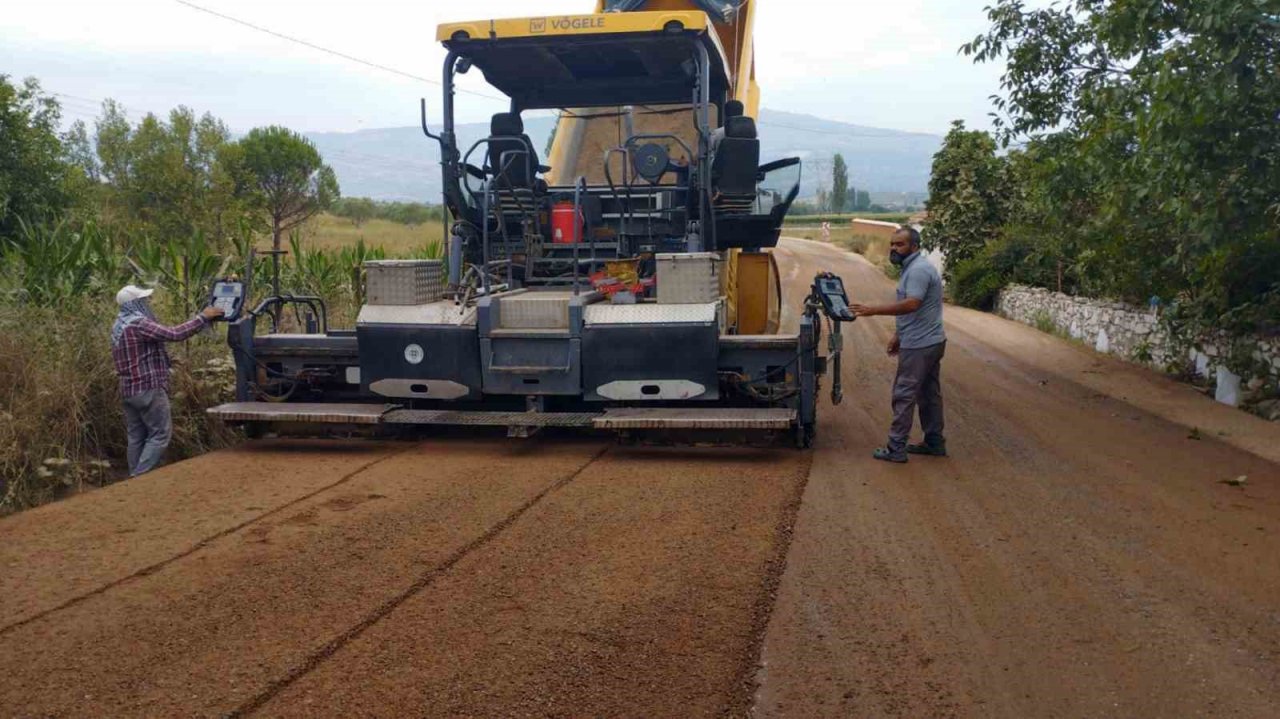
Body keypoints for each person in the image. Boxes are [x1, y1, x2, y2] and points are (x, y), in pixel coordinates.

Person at [851, 227, 947, 463]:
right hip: (930, 340)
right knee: (928, 394)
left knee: (904, 394)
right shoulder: (915, 267)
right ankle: (934, 442)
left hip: (920, 345)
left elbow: (913, 304)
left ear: (914, 247)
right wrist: (899, 335)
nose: (893, 248)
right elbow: (917, 310)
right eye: (892, 244)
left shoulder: (917, 271)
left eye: (900, 244)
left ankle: (896, 448)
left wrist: (873, 310)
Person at [110, 285, 223, 476]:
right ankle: (139, 477)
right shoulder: (138, 324)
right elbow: (174, 334)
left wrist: (167, 361)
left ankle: (132, 479)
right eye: (143, 301)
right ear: (135, 304)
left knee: (136, 436)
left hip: (129, 389)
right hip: (148, 387)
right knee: (160, 435)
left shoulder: (118, 325)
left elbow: (139, 354)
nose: (147, 303)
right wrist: (202, 317)